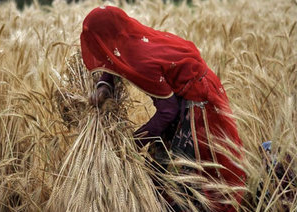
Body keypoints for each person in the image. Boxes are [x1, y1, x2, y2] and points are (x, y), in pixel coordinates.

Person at [80, 6, 246, 211]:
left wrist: (132, 142)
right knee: (165, 162)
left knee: (193, 172)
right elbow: (114, 58)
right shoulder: (129, 36)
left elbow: (168, 111)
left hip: (200, 103)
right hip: (185, 96)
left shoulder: (141, 61)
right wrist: (104, 85)